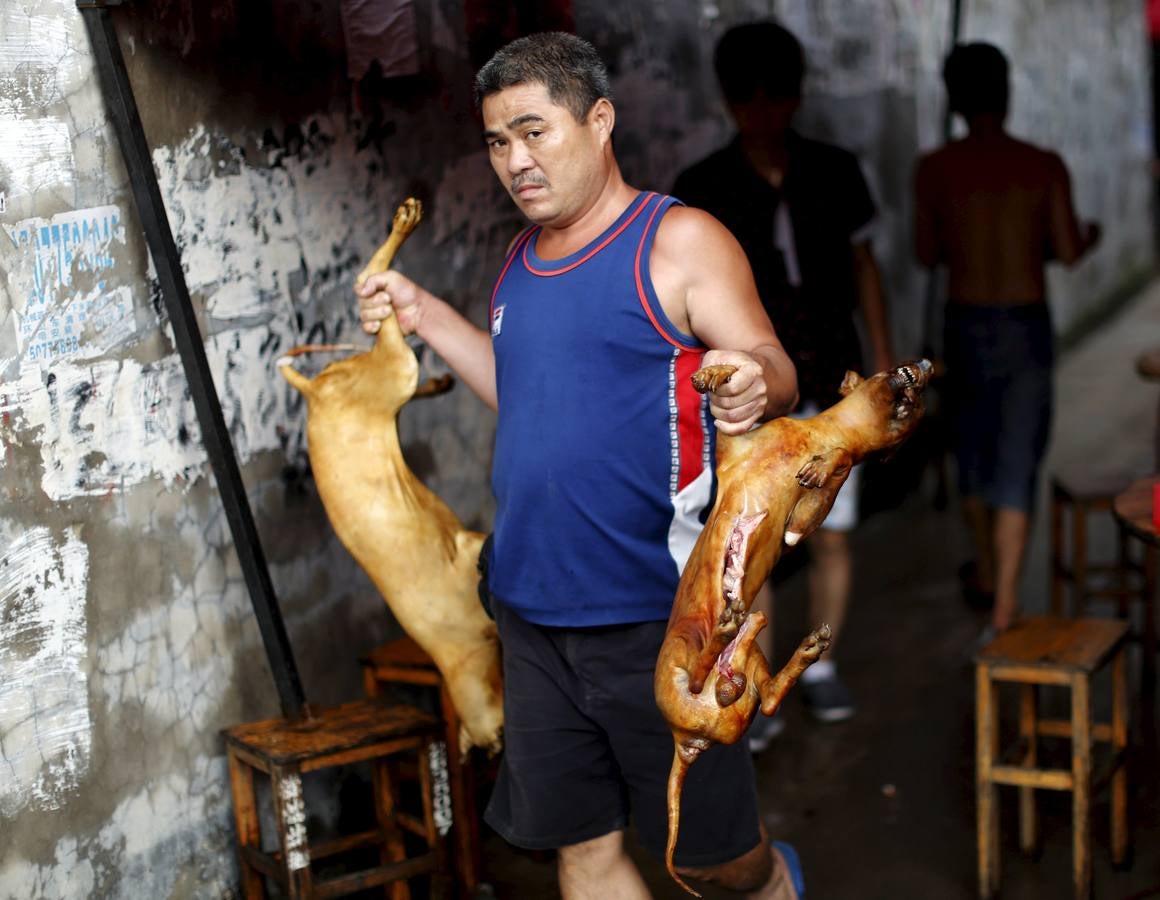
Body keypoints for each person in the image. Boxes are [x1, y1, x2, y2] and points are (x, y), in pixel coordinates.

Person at [357, 32, 807, 900]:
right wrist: (423, 312)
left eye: (535, 131)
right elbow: (521, 393)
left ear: (599, 120)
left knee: (718, 866)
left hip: (662, 619)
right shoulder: (518, 267)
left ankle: (775, 879)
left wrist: (759, 384)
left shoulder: (676, 241)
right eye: (497, 142)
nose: (515, 161)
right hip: (533, 616)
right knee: (583, 851)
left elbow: (769, 358)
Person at [672, 21, 894, 749]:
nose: (763, 112)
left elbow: (866, 271)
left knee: (832, 538)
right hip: (746, 400)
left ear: (796, 98)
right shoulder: (700, 190)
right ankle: (755, 671)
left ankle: (821, 670)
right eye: (748, 99)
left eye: (775, 97)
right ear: (731, 103)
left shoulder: (835, 169)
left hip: (835, 378)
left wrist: (884, 370)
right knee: (753, 547)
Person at [914, 42, 1100, 640]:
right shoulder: (1042, 165)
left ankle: (989, 574)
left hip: (964, 322)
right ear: (1007, 91)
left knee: (972, 453)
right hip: (1023, 326)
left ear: (956, 99)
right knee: (1017, 461)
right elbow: (1069, 249)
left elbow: (926, 253)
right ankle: (1004, 609)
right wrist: (1081, 234)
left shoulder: (936, 169)